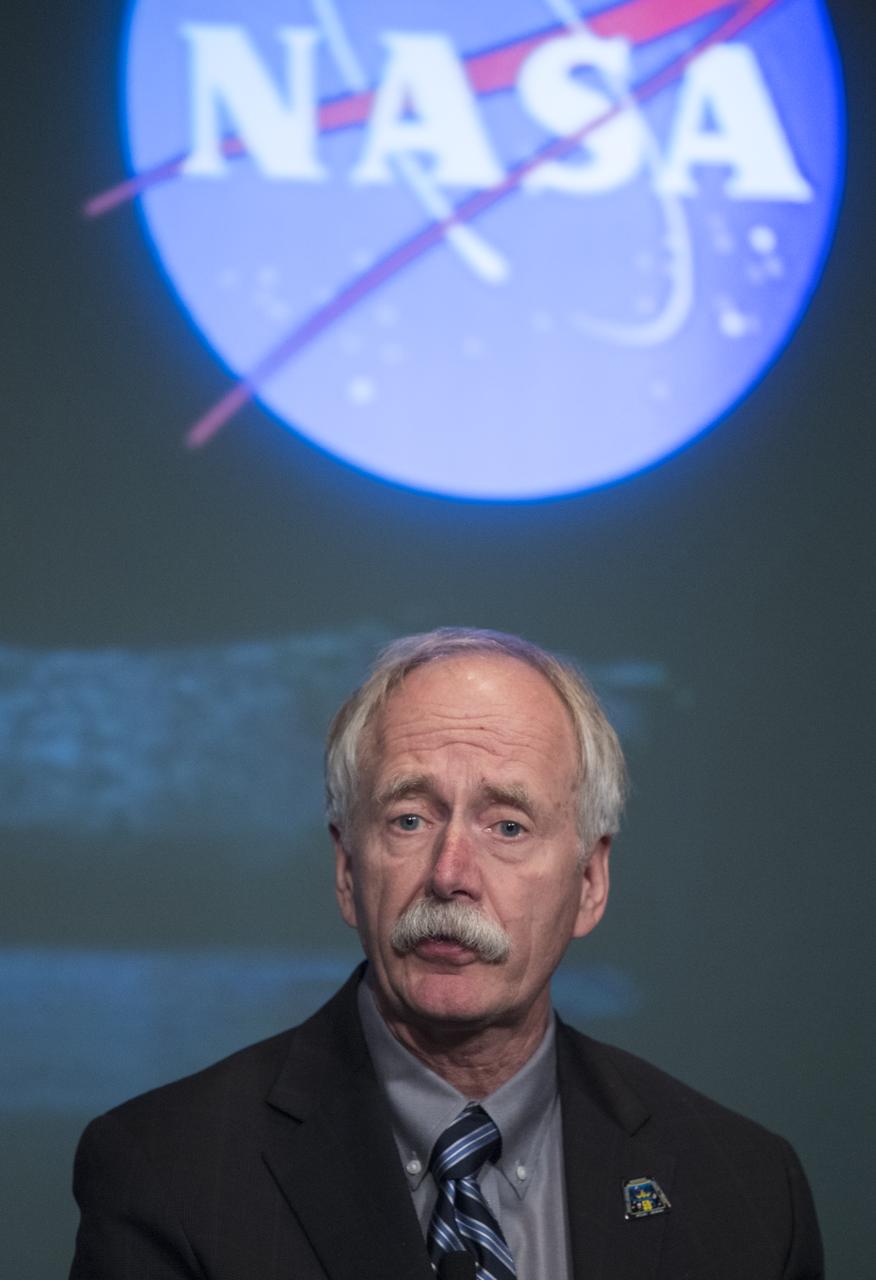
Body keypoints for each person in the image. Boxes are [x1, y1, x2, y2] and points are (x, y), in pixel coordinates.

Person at [69, 627, 823, 1279]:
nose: (451, 874)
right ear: (345, 871)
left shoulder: (748, 1193)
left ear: (591, 881)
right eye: (408, 818)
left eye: (508, 826)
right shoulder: (164, 1174)